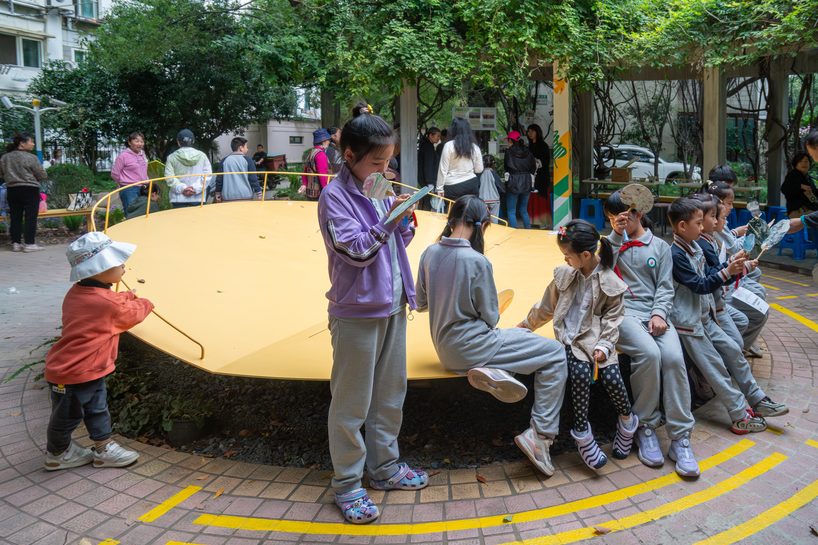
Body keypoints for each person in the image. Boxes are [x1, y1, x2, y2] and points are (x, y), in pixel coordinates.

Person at [317, 102, 426, 525]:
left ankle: (384, 469)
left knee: (389, 396)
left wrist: (404, 218)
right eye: (377, 161)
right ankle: (347, 484)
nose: (385, 168)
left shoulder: (377, 186)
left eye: (388, 160)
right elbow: (356, 251)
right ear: (350, 156)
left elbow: (402, 238)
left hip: (393, 305)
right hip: (357, 313)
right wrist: (388, 222)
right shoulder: (334, 197)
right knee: (351, 404)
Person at [416, 195, 567, 476]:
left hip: (446, 351)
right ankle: (541, 436)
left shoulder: (429, 253)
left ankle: (492, 370)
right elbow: (491, 317)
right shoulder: (477, 261)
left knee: (510, 339)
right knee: (555, 354)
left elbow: (421, 303)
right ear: (483, 225)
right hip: (476, 344)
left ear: (452, 220)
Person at [521, 219, 636, 471]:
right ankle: (583, 434)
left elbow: (613, 318)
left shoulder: (610, 282)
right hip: (571, 339)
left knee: (614, 378)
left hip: (597, 340)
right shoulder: (564, 276)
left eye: (567, 256)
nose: (565, 260)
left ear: (585, 255)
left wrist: (605, 345)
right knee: (580, 376)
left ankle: (627, 422)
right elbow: (545, 308)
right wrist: (525, 326)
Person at [668, 198, 786, 434]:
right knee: (716, 369)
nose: (702, 228)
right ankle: (739, 415)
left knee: (734, 351)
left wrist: (734, 268)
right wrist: (727, 271)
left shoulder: (695, 247)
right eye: (698, 223)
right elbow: (700, 285)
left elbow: (712, 275)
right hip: (689, 325)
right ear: (682, 226)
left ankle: (758, 399)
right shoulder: (676, 254)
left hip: (705, 316)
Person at [604, 191, 699, 477]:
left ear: (639, 212)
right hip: (622, 313)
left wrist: (659, 313)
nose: (623, 219)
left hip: (655, 313)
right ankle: (644, 426)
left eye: (628, 213)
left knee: (672, 356)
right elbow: (602, 268)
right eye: (614, 216)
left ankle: (680, 437)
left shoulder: (660, 247)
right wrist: (615, 235)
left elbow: (665, 288)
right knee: (649, 353)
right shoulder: (610, 244)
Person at [43, 232, 153, 471]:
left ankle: (104, 448)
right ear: (98, 270)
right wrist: (145, 302)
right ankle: (57, 453)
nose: (123, 266)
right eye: (117, 263)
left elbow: (109, 302)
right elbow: (129, 313)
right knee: (67, 418)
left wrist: (126, 295)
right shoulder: (106, 304)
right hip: (74, 373)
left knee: (97, 409)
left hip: (88, 370)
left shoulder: (79, 292)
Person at [0, 133, 48, 252]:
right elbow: (42, 175)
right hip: (29, 189)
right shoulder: (31, 157)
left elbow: (1, 174)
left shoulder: (5, 157)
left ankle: (15, 243)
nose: (33, 144)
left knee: (15, 217)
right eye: (31, 141)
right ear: (22, 143)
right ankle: (29, 244)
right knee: (30, 217)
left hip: (12, 190)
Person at [436, 117, 483, 201]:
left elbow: (443, 169)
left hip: (452, 187)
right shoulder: (474, 147)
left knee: (453, 212)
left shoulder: (448, 145)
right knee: (470, 211)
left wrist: (439, 189)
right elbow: (479, 169)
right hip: (471, 185)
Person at [165, 129, 212, 208]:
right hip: (198, 198)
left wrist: (183, 188)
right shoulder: (202, 156)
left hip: (178, 198)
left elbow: (169, 177)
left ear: (178, 142)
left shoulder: (171, 157)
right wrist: (195, 188)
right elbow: (207, 175)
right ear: (193, 141)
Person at [504, 130, 536, 229]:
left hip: (513, 182)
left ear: (510, 141)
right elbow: (533, 168)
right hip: (526, 182)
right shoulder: (528, 152)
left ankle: (514, 234)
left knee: (511, 211)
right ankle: (528, 230)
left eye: (508, 140)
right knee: (523, 210)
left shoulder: (509, 153)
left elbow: (506, 168)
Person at [214, 137, 262, 202]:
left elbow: (219, 179)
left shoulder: (224, 161)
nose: (247, 149)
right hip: (245, 196)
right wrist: (259, 193)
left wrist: (218, 194)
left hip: (228, 197)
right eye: (246, 147)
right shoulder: (248, 160)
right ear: (241, 148)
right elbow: (253, 178)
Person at [111, 132, 149, 212]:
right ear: (129, 142)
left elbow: (144, 171)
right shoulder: (123, 156)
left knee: (143, 213)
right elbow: (115, 174)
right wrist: (123, 183)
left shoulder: (143, 154)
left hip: (143, 188)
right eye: (137, 141)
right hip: (129, 189)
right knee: (132, 213)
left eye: (142, 141)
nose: (140, 144)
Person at [527, 124, 552, 228]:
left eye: (532, 131)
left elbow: (546, 161)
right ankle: (533, 221)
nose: (530, 133)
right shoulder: (529, 146)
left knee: (541, 198)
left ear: (537, 132)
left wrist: (536, 162)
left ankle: (543, 222)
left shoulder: (543, 146)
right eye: (528, 131)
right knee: (531, 198)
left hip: (541, 177)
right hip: (531, 177)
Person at [300, 128, 332, 200]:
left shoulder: (311, 152)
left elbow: (304, 170)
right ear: (323, 141)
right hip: (319, 193)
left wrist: (304, 184)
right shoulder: (321, 155)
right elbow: (323, 175)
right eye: (328, 140)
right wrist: (327, 191)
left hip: (311, 192)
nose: (329, 142)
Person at [417, 127, 443, 211]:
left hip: (424, 179)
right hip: (427, 181)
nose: (439, 138)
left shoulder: (426, 145)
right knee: (426, 202)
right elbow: (428, 166)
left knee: (425, 201)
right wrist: (430, 182)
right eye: (437, 136)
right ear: (431, 135)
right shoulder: (428, 147)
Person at [479, 155, 503, 221]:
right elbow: (500, 187)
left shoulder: (480, 174)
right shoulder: (494, 174)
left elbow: (477, 186)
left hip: (482, 200)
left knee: (482, 220)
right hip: (494, 200)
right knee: (494, 220)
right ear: (493, 163)